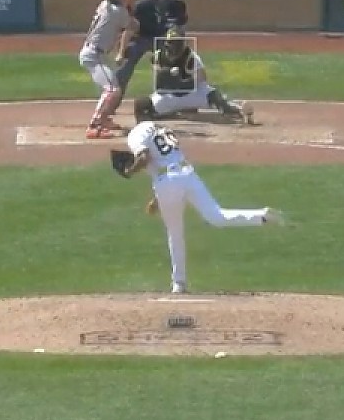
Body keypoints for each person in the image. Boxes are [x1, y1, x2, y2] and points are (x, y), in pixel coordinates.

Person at [119, 111, 285, 294]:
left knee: (175, 233)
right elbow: (167, 161)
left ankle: (179, 283)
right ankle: (261, 215)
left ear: (137, 115)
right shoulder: (162, 128)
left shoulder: (136, 133)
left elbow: (144, 158)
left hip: (167, 181)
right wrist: (158, 199)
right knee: (217, 216)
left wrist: (129, 171)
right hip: (187, 173)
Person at [134, 28, 253, 124]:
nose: (173, 47)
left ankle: (240, 111)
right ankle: (170, 113)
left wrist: (183, 81)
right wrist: (168, 76)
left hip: (191, 94)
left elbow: (202, 78)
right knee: (143, 106)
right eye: (171, 43)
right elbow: (158, 80)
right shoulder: (159, 56)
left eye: (176, 43)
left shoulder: (191, 57)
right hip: (169, 96)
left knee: (215, 96)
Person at [79, 0, 139, 139]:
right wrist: (130, 6)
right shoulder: (118, 12)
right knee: (112, 90)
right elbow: (133, 26)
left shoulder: (105, 5)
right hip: (94, 55)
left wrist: (127, 4)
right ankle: (94, 126)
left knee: (111, 89)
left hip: (98, 54)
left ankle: (104, 119)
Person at [113, 0, 184, 111]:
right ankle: (111, 103)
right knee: (124, 69)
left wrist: (176, 49)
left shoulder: (176, 5)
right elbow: (129, 29)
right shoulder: (142, 5)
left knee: (171, 68)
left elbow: (180, 28)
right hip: (140, 38)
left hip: (161, 38)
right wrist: (121, 53)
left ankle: (171, 103)